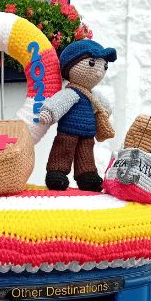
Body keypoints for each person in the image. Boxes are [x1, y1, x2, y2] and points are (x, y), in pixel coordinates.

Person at [39, 39, 117, 192]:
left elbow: (105, 106)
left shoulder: (93, 95)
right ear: (70, 65)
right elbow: (58, 102)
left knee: (86, 154)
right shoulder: (71, 93)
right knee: (63, 150)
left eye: (104, 66)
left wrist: (106, 112)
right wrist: (49, 112)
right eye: (92, 63)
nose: (99, 72)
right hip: (68, 130)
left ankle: (87, 176)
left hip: (88, 133)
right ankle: (57, 173)